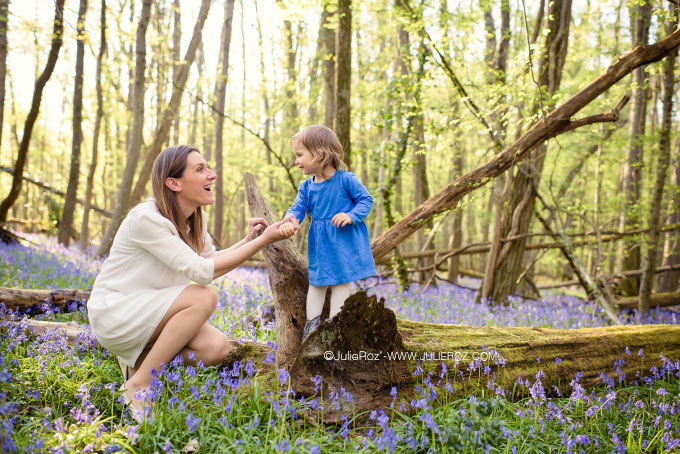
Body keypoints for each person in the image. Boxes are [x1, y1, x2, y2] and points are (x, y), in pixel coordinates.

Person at [87, 145, 296, 420]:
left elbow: (210, 261)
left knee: (216, 348)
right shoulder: (146, 219)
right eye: (200, 169)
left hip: (150, 312)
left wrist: (248, 241)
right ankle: (139, 384)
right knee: (204, 296)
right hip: (116, 312)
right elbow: (202, 272)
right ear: (173, 183)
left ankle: (135, 361)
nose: (212, 175)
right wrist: (263, 241)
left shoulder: (193, 218)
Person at [279, 125, 376, 341]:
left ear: (319, 154)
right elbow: (297, 208)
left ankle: (335, 324)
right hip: (321, 243)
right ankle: (313, 328)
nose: (296, 160)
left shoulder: (346, 180)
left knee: (341, 281)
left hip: (343, 241)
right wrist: (291, 221)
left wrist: (351, 215)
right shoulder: (306, 187)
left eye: (299, 155)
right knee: (318, 281)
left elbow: (366, 200)